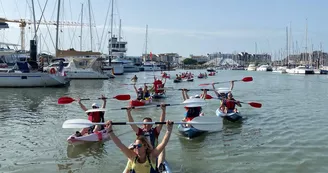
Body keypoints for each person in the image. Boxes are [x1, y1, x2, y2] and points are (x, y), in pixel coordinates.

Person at [106, 120, 173, 173]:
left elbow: (163, 143)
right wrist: (110, 131)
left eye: (139, 146)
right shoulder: (132, 156)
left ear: (145, 146)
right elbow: (120, 145)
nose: (136, 148)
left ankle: (160, 166)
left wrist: (169, 130)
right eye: (135, 146)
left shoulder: (151, 156)